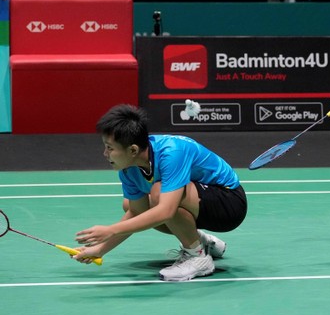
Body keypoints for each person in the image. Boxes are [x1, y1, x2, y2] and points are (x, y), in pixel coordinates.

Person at [73, 104, 248, 282]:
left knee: (159, 195)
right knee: (133, 206)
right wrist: (99, 250)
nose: (105, 153)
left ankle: (198, 258)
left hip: (230, 203)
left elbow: (166, 211)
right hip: (200, 204)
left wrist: (111, 230)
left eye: (110, 148)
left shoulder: (172, 152)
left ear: (133, 150)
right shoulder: (128, 169)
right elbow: (137, 212)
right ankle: (200, 241)